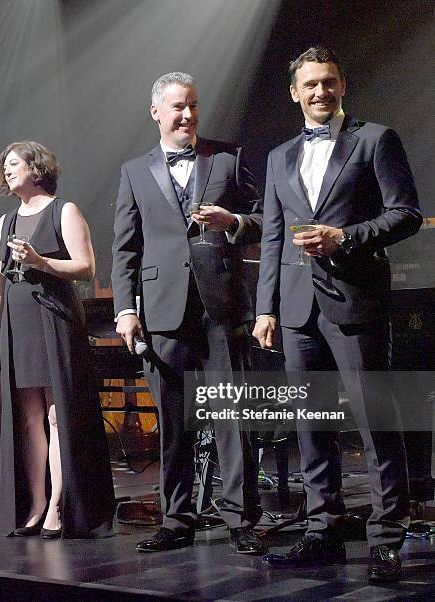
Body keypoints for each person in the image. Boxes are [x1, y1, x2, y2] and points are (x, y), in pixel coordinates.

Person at [253, 47, 422, 582]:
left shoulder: (375, 139)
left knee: (375, 422)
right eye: (310, 84)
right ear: (294, 93)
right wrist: (265, 308)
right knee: (311, 424)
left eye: (329, 82)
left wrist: (344, 237)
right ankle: (322, 528)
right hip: (298, 309)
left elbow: (407, 213)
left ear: (342, 84)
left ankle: (387, 537)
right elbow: (275, 238)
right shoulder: (279, 156)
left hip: (356, 301)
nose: (320, 92)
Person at [111, 72, 264, 554]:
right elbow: (124, 249)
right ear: (156, 112)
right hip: (161, 309)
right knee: (173, 421)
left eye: (194, 106)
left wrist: (234, 221)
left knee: (230, 416)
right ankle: (177, 520)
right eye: (178, 107)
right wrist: (124, 310)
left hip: (221, 304)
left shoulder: (227, 157)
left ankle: (241, 519)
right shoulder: (135, 171)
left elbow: (265, 217)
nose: (188, 115)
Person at [0, 141, 115, 538]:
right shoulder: (5, 222)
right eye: (4, 165)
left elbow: (87, 268)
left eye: (14, 164)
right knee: (28, 417)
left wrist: (41, 262)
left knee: (57, 415)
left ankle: (59, 502)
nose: (6, 170)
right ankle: (36, 501)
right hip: (17, 324)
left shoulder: (64, 210)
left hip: (53, 318)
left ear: (35, 167)